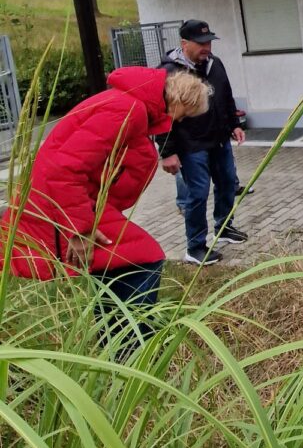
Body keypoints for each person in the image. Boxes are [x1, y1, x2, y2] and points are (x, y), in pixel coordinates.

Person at [1, 67, 209, 352]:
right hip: (57, 205)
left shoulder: (127, 105)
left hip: (68, 201)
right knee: (142, 260)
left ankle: (119, 340)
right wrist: (80, 230)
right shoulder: (127, 109)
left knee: (123, 263)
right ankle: (129, 349)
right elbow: (65, 168)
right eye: (186, 113)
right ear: (180, 101)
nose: (182, 120)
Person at [160, 19, 247, 265]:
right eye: (200, 43)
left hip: (219, 140)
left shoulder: (214, 64)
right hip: (191, 145)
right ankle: (195, 246)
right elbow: (160, 116)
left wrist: (234, 125)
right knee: (197, 194)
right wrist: (167, 151)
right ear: (184, 43)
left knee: (228, 183)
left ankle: (224, 227)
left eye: (208, 42)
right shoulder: (168, 71)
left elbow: (226, 96)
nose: (206, 47)